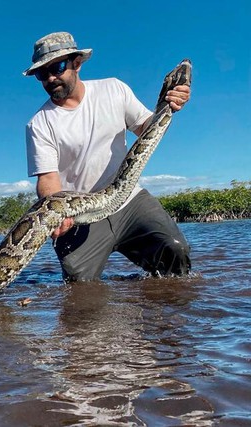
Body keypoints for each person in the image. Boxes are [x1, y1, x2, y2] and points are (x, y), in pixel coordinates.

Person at [23, 32, 191, 282]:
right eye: (41, 73)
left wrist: (170, 105)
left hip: (129, 201)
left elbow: (146, 128)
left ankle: (164, 316)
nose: (50, 78)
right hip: (80, 215)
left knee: (175, 251)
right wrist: (57, 213)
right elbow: (48, 179)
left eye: (57, 67)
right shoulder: (38, 124)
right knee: (79, 285)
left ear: (76, 63)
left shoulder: (114, 89)